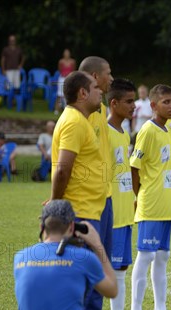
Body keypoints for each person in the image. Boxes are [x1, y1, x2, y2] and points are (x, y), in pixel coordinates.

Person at [13, 200, 150, 310]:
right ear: (72, 227)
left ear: (42, 226)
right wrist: (97, 245)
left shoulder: (20, 257)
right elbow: (112, 290)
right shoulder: (83, 257)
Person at [129, 84, 171, 310]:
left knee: (162, 257)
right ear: (153, 106)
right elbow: (134, 167)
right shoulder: (148, 131)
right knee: (145, 256)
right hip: (151, 204)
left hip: (164, 206)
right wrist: (140, 195)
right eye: (166, 102)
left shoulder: (165, 131)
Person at [50, 72, 107, 289]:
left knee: (90, 282)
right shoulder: (74, 122)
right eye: (95, 87)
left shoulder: (81, 121)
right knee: (84, 283)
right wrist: (55, 204)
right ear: (83, 93)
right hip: (80, 213)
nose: (100, 90)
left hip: (89, 211)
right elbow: (63, 170)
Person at [105, 78, 144, 310]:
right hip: (109, 212)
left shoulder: (123, 134)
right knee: (107, 266)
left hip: (124, 209)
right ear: (114, 103)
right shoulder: (104, 132)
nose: (134, 107)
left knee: (120, 265)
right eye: (129, 102)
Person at [79, 56, 114, 310]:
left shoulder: (99, 108)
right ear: (94, 75)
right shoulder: (80, 114)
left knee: (103, 262)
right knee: (89, 262)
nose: (111, 79)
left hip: (105, 195)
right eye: (108, 74)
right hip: (86, 200)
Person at [56, 49, 77, 114]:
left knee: (69, 93)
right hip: (62, 78)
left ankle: (68, 108)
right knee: (60, 94)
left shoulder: (73, 61)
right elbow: (60, 70)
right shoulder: (61, 61)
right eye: (65, 53)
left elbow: (74, 70)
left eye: (68, 53)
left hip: (69, 79)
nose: (67, 54)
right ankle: (57, 109)